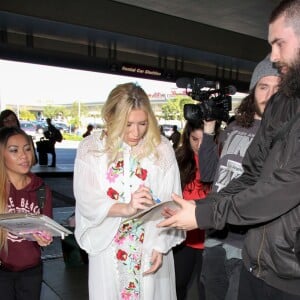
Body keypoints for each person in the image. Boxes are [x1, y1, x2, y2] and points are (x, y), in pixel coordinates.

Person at [158, 0, 300, 298]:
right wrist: (200, 207)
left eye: (279, 43)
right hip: (258, 263)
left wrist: (203, 217)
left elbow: (284, 186)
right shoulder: (281, 104)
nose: (274, 56)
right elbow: (252, 175)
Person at [73, 82, 185, 299]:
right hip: (108, 243)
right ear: (110, 118)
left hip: (151, 242)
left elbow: (173, 200)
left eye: (143, 123)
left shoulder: (161, 148)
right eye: (127, 124)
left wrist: (161, 245)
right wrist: (126, 208)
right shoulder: (92, 148)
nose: (136, 132)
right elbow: (87, 200)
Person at [199, 56, 280, 300]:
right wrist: (209, 129)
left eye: (278, 89)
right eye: (263, 87)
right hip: (215, 235)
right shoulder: (234, 127)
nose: (269, 95)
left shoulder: (282, 137)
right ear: (253, 91)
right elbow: (209, 173)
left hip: (247, 244)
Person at [0, 126, 53, 300]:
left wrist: (45, 237)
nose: (24, 155)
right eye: (14, 150)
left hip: (31, 272)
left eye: (27, 149)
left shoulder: (41, 190)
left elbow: (46, 232)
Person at [173, 120, 210, 300]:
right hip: (183, 238)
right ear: (187, 138)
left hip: (210, 238)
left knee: (207, 289)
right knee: (179, 285)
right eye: (194, 139)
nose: (199, 145)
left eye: (204, 140)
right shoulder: (178, 160)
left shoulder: (217, 160)